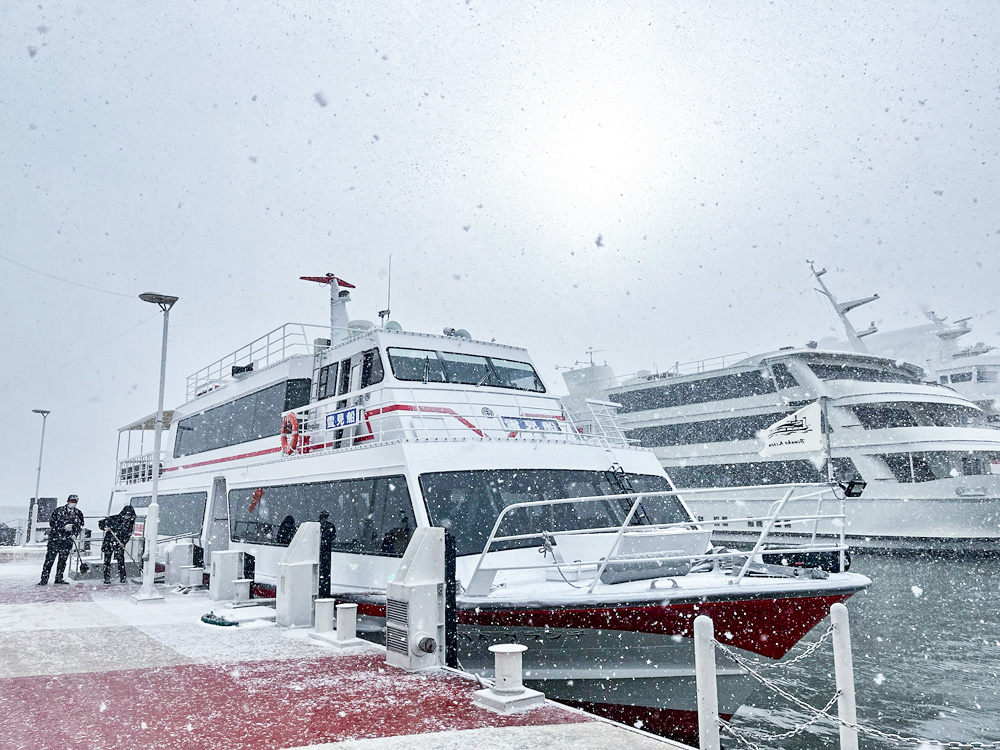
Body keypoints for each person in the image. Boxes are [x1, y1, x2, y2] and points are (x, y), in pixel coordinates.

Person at [38, 494, 85, 585]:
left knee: (63, 561)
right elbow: (52, 523)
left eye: (75, 502)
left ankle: (59, 578)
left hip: (67, 541)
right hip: (55, 540)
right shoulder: (58, 511)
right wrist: (63, 527)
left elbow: (79, 526)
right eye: (72, 501)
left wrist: (75, 534)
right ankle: (44, 579)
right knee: (49, 560)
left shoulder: (78, 513)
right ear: (67, 501)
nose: (73, 503)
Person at [98, 506, 136, 584]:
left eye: (130, 515)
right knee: (107, 561)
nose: (128, 517)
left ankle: (123, 577)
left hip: (119, 544)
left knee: (121, 560)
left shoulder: (130, 523)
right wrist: (105, 528)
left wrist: (124, 542)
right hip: (109, 542)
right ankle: (107, 578)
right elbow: (101, 523)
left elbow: (128, 534)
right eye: (127, 515)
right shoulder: (113, 519)